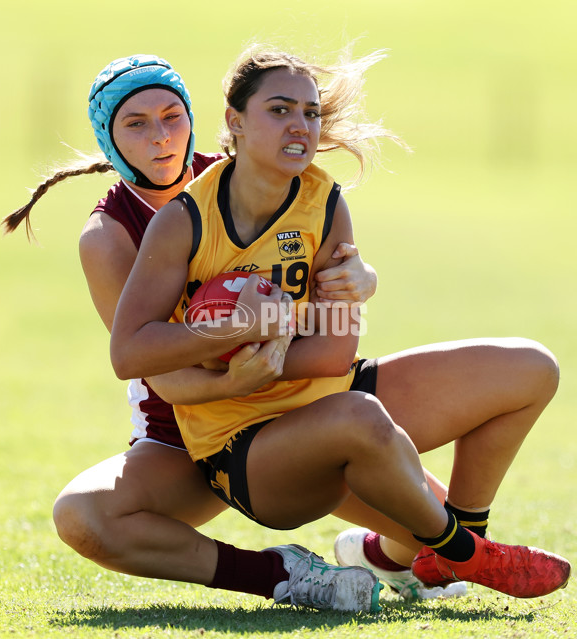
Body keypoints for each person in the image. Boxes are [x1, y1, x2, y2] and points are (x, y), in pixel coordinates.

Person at [108, 46, 571, 603]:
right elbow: (129, 353)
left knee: (529, 368)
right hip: (245, 449)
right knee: (357, 414)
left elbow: (333, 354)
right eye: (279, 110)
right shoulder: (183, 219)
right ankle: (467, 555)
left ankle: (457, 540)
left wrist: (257, 347)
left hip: (332, 396)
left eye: (310, 112)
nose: (299, 125)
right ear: (235, 122)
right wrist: (231, 339)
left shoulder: (326, 203)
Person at [2, 54, 453, 611]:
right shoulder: (108, 235)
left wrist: (364, 277)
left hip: (296, 406)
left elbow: (328, 274)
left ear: (202, 118)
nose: (161, 138)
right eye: (135, 124)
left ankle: (375, 556)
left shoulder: (244, 173)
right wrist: (234, 362)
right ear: (109, 139)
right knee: (83, 516)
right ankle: (287, 576)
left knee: (444, 532)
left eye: (172, 116)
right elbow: (158, 369)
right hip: (188, 439)